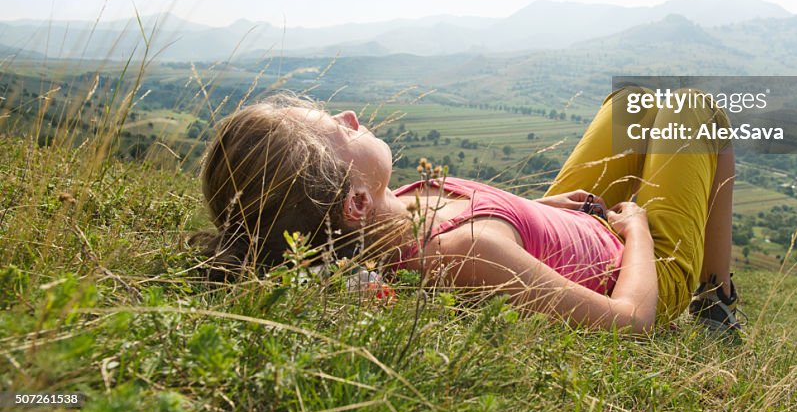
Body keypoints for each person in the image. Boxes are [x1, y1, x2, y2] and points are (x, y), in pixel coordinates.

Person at [196, 85, 741, 335]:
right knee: (695, 110)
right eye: (340, 130)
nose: (350, 115)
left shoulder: (399, 205)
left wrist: (533, 210)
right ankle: (715, 298)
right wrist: (639, 228)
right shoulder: (466, 251)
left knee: (632, 105)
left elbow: (487, 219)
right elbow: (630, 320)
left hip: (570, 219)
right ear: (355, 202)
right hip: (637, 266)